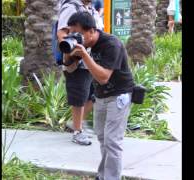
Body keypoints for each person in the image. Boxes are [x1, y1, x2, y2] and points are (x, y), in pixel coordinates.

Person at [67, 11, 135, 180]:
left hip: (119, 95)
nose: (75, 37)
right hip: (101, 96)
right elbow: (70, 69)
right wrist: (68, 54)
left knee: (113, 142)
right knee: (103, 138)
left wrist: (84, 55)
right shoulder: (84, 44)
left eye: (79, 33)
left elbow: (103, 77)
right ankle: (104, 174)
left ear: (91, 30)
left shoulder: (112, 44)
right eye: (72, 33)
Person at [57, 0, 102, 145]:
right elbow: (62, 33)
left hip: (91, 61)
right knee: (79, 96)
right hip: (77, 62)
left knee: (93, 95)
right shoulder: (71, 7)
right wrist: (71, 54)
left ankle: (77, 122)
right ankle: (77, 131)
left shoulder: (90, 8)